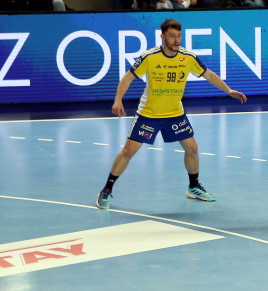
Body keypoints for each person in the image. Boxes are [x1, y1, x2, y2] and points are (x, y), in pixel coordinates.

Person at [95, 19, 247, 210]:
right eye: (172, 36)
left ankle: (193, 187)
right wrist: (118, 99)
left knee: (192, 148)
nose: (176, 40)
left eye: (178, 36)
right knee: (129, 151)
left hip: (175, 113)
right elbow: (128, 77)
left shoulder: (187, 57)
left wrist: (229, 90)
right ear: (163, 37)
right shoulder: (150, 57)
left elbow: (208, 74)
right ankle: (107, 189)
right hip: (149, 114)